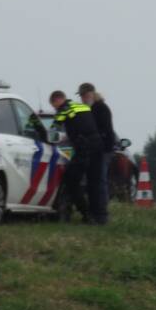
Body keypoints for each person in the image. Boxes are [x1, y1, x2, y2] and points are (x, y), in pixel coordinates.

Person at [49, 90, 107, 225]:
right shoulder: (82, 107)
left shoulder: (63, 110)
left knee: (71, 180)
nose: (55, 109)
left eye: (54, 105)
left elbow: (52, 133)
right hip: (97, 146)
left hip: (84, 149)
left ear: (57, 101)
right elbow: (85, 125)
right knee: (95, 183)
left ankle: (85, 213)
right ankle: (99, 217)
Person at [78, 82, 115, 194]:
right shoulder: (88, 109)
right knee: (94, 179)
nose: (83, 98)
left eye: (84, 95)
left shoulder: (100, 108)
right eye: (81, 96)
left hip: (103, 149)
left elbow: (103, 129)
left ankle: (101, 203)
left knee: (100, 179)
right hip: (94, 149)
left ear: (92, 94)